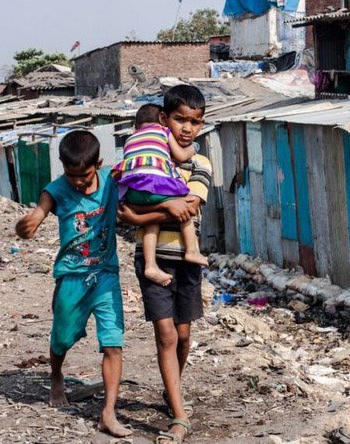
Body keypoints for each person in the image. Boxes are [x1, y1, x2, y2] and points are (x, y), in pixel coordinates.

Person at [15, 130, 132, 438]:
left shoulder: (111, 180)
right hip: (72, 277)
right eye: (71, 175)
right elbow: (35, 219)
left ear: (99, 164)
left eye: (85, 175)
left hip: (106, 275)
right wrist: (26, 225)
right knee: (61, 339)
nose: (78, 182)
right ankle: (56, 376)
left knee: (113, 343)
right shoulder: (55, 191)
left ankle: (108, 412)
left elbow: (140, 177)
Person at [117, 84, 211, 443]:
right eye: (180, 119)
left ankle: (171, 391)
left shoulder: (200, 162)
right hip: (152, 260)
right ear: (162, 118)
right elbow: (125, 210)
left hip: (186, 262)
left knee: (184, 336)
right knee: (166, 335)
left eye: (196, 123)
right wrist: (159, 210)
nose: (188, 129)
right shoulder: (146, 155)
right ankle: (179, 415)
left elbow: (189, 206)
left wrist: (150, 211)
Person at [112, 103, 208, 288]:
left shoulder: (130, 138)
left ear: (136, 125)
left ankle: (150, 265)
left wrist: (137, 218)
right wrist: (195, 147)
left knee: (150, 223)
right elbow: (180, 156)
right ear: (163, 120)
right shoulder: (163, 132)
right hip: (157, 185)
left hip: (132, 190)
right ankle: (191, 250)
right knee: (184, 206)